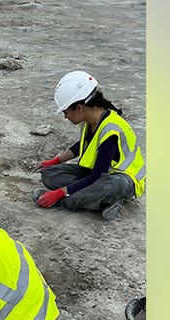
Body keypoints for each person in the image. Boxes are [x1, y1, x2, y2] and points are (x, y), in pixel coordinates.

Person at [31, 71, 146, 219]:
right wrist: (54, 161)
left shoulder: (111, 130)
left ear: (79, 108)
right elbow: (82, 146)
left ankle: (68, 201)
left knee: (98, 189)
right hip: (96, 174)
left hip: (122, 179)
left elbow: (98, 175)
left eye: (66, 112)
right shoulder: (89, 120)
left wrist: (59, 193)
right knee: (49, 174)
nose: (66, 117)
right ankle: (101, 201)